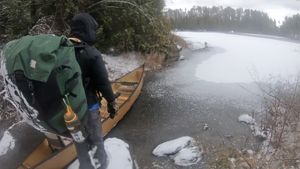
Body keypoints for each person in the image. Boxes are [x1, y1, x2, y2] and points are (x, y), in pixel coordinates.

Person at [69, 13, 118, 169]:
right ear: (87, 30)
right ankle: (101, 165)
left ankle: (85, 166)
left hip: (69, 109)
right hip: (89, 106)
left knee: (79, 140)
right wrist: (111, 102)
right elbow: (103, 83)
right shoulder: (91, 53)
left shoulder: (62, 50)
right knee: (96, 139)